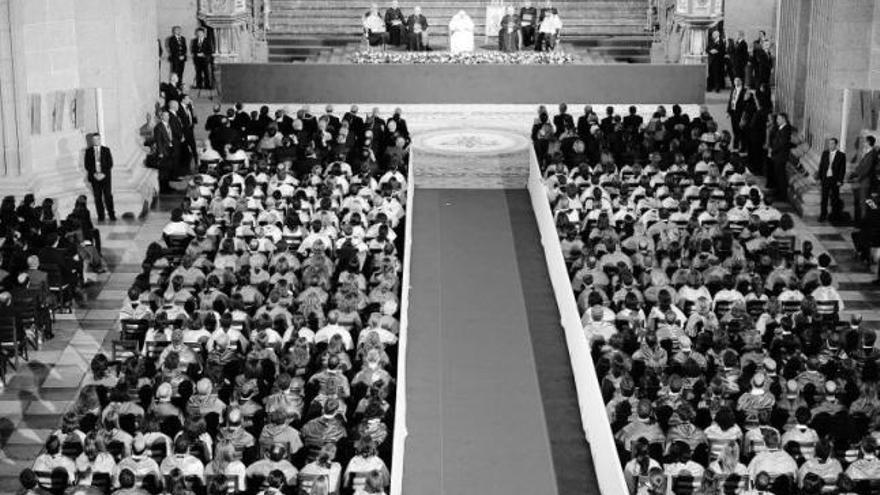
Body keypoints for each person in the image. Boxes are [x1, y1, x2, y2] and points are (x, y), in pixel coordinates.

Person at [84, 133, 115, 222]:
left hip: (105, 177)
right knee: (97, 197)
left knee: (108, 196)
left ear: (100, 140)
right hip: (95, 178)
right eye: (94, 139)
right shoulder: (88, 151)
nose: (96, 141)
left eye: (98, 139)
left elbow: (110, 163)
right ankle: (101, 216)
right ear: (92, 141)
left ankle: (111, 214)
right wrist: (95, 174)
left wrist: (103, 174)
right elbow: (87, 165)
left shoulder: (106, 150)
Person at [816, 137, 846, 222]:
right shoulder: (825, 153)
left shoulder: (841, 155)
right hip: (825, 179)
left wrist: (840, 180)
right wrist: (819, 178)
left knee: (835, 199)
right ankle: (823, 215)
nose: (830, 145)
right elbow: (821, 166)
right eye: (829, 143)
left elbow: (842, 169)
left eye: (832, 143)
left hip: (835, 180)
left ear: (836, 145)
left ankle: (835, 216)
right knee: (824, 199)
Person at [849, 135, 877, 223]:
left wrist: (858, 178)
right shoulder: (868, 153)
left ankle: (864, 221)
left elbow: (867, 169)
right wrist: (854, 174)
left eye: (865, 141)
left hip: (866, 181)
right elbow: (861, 167)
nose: (863, 143)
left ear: (868, 142)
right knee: (862, 201)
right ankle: (863, 219)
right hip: (863, 181)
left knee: (864, 201)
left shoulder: (872, 154)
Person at [153, 110, 179, 193]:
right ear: (162, 117)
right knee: (163, 171)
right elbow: (158, 141)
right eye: (165, 116)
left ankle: (168, 186)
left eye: (168, 116)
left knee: (169, 170)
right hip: (163, 151)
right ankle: (163, 189)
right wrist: (160, 152)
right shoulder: (158, 127)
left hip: (170, 150)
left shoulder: (169, 125)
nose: (167, 117)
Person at [769, 113, 792, 200]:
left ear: (783, 119)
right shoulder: (781, 128)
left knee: (781, 176)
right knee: (777, 175)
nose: (777, 120)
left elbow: (782, 143)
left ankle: (782, 195)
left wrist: (773, 150)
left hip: (781, 156)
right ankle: (777, 192)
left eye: (778, 119)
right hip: (777, 155)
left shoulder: (786, 129)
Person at [727, 77, 746, 151]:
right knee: (734, 129)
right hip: (733, 112)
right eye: (735, 81)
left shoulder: (744, 91)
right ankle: (736, 145)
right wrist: (728, 111)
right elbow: (730, 100)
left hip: (740, 113)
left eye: (738, 81)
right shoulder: (733, 89)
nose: (736, 82)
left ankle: (742, 146)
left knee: (740, 130)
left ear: (741, 82)